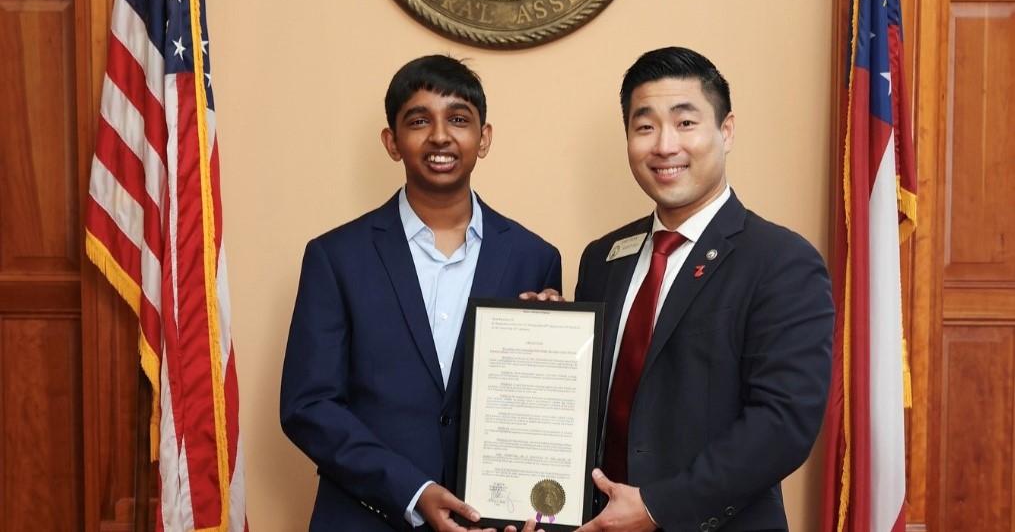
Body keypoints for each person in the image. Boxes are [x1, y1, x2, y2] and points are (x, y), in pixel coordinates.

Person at [531, 47, 834, 531]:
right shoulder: (603, 258)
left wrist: (657, 507)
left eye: (686, 123)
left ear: (726, 130)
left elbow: (782, 425)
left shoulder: (781, 261)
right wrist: (543, 338)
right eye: (644, 126)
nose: (664, 145)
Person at [281, 55, 561, 532]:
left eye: (458, 119)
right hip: (365, 519)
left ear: (484, 138)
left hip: (493, 523)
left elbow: (542, 410)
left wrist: (556, 350)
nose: (439, 136)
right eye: (418, 120)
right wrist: (412, 491)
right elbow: (309, 406)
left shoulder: (535, 258)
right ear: (392, 142)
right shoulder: (335, 256)